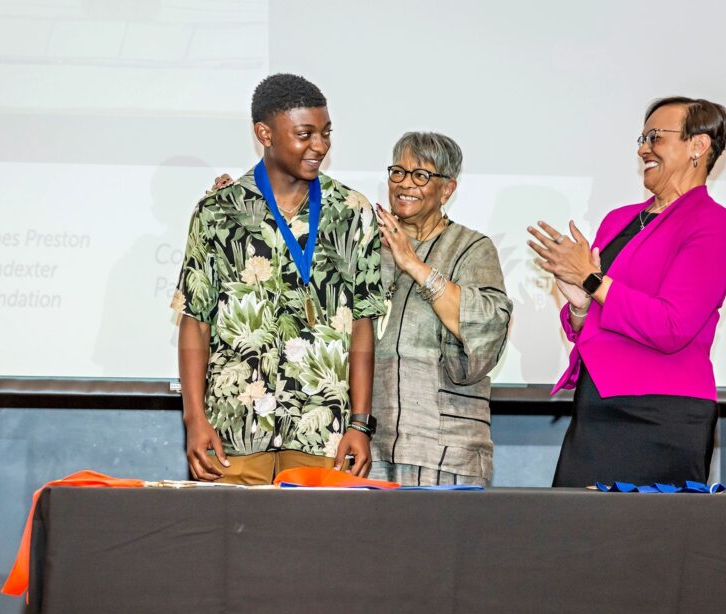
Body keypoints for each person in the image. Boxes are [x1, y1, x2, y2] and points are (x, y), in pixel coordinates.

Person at [173, 73, 386, 485]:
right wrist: (195, 419)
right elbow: (195, 321)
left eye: (326, 133)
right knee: (229, 548)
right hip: (232, 432)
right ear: (264, 134)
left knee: (313, 548)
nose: (320, 146)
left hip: (323, 434)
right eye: (305, 134)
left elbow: (363, 323)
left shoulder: (352, 212)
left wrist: (359, 425)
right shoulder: (218, 211)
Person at [527, 96, 726, 487]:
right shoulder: (618, 220)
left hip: (664, 414)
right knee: (575, 537)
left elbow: (672, 327)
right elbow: (599, 317)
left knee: (651, 543)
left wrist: (593, 280)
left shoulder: (714, 224)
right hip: (598, 404)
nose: (643, 149)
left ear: (699, 145)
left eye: (655, 137)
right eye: (642, 138)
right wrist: (579, 306)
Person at [370, 133, 512, 486]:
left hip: (444, 447)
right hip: (368, 445)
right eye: (398, 172)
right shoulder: (367, 245)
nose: (405, 184)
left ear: (447, 190)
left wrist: (415, 265)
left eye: (421, 176)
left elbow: (489, 326)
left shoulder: (472, 248)